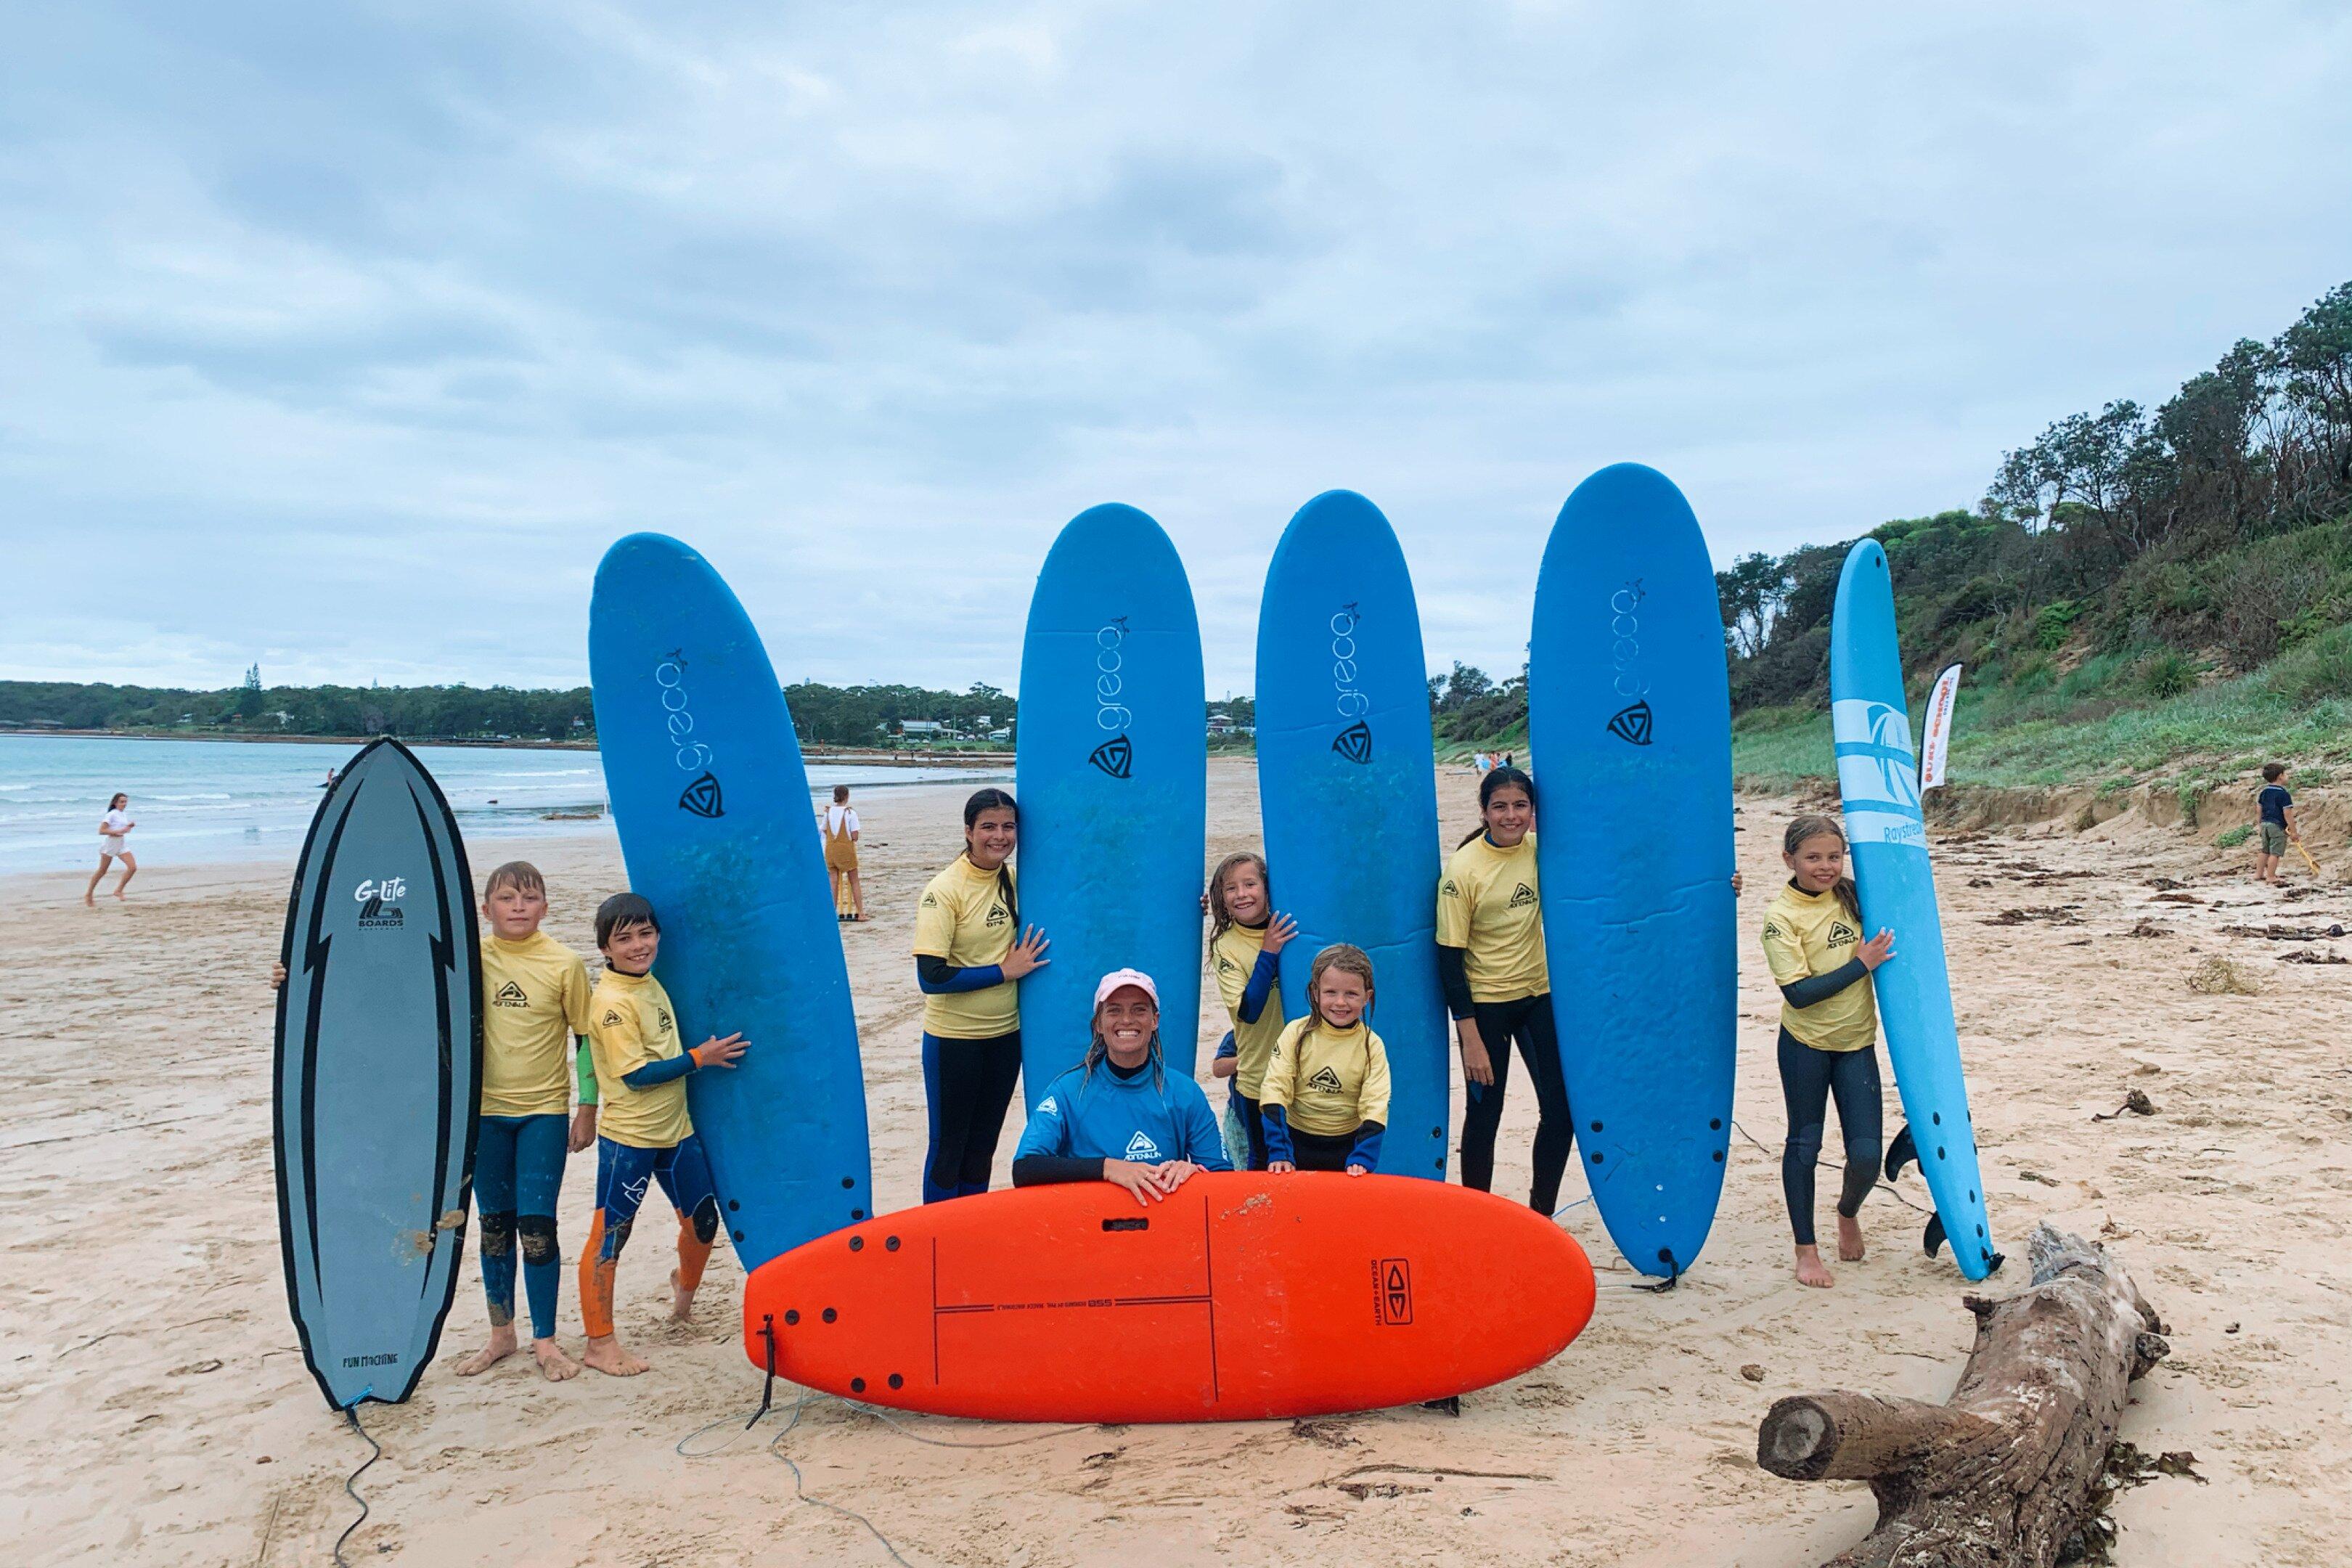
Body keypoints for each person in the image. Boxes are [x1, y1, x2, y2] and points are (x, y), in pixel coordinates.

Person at [269, 860, 603, 1377]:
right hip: (479, 1117)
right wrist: (298, 984)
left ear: (546, 906)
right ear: (483, 907)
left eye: (530, 898)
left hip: (542, 1114)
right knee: (493, 1227)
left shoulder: (564, 964)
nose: (519, 907)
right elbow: (385, 990)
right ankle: (502, 1335)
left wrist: (587, 1107)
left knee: (537, 1228)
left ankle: (546, 1340)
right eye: (508, 898)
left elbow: (585, 1039)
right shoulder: (465, 963)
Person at [579, 893, 748, 1376]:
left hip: (677, 1132)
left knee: (703, 1224)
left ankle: (683, 1304)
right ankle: (599, 1343)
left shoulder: (650, 983)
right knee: (611, 1236)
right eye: (624, 938)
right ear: (606, 949)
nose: (638, 945)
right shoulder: (612, 1002)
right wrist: (701, 1058)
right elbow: (635, 1075)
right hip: (630, 1139)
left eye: (646, 933)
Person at [1759, 816, 1895, 1289]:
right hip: (1806, 1046)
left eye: (1834, 856)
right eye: (1813, 857)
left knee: (1866, 1157)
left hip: (1857, 1043)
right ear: (1789, 859)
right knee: (1805, 1146)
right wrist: (1861, 965)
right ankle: (1807, 1251)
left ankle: (1847, 1211)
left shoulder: (1853, 896)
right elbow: (1798, 994)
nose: (1825, 866)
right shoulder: (1781, 918)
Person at [1437, 766, 1572, 1212]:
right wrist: (1469, 1038)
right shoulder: (1464, 870)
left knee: (1562, 1113)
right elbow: (1449, 959)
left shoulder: (1542, 851)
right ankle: (1479, 1218)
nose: (1511, 816)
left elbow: (1614, 875)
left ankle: (1542, 1214)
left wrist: (1719, 887)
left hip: (1539, 999)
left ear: (1533, 812)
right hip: (1485, 1008)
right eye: (1500, 807)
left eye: (1520, 806)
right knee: (1484, 1116)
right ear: (1484, 811)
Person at [912, 788, 1049, 1203]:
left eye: (1009, 827)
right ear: (969, 831)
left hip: (1006, 1037)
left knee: (983, 1146)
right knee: (949, 1148)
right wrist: (1003, 972)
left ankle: (966, 1234)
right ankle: (938, 1238)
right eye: (988, 827)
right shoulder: (944, 890)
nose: (1000, 836)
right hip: (954, 1040)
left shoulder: (1013, 879)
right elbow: (931, 977)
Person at [1011, 968, 1229, 1204]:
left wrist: (1194, 1173)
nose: (1127, 1020)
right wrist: (1108, 1169)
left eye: (1139, 1010)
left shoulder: (1185, 1093)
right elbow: (1025, 1168)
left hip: (1160, 1221)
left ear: (1155, 1020)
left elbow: (1221, 1175)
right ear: (1099, 1024)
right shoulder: (1067, 1091)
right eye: (1114, 1010)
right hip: (1088, 1223)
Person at [1260, 944, 1391, 1176]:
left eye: (1351, 994)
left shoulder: (1372, 1045)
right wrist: (1280, 1152)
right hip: (1293, 1144)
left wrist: (1363, 1156)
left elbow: (1376, 1103)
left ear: (1367, 998)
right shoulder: (1296, 1033)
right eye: (1331, 992)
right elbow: (1275, 1089)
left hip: (1348, 1150)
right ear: (1315, 992)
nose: (1340, 1003)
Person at [1204, 852, 1295, 1169]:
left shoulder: (1294, 928)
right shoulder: (1225, 946)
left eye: (1250, 884)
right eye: (1231, 888)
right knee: (1261, 1166)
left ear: (1268, 888)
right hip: (1258, 1079)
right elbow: (1249, 1011)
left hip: (1305, 1072)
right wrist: (1269, 952)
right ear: (1221, 899)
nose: (1242, 894)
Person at [820, 784, 867, 921]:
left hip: (831, 851)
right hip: (845, 851)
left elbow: (824, 830)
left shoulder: (828, 812)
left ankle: (831, 913)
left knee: (833, 882)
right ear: (847, 796)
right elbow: (855, 836)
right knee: (854, 881)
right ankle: (861, 913)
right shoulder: (850, 813)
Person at [86, 793, 136, 905]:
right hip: (111, 845)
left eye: (126, 802)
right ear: (115, 803)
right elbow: (102, 831)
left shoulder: (122, 814)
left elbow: (122, 830)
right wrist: (117, 832)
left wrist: (129, 827)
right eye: (122, 802)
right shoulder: (111, 814)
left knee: (132, 868)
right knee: (102, 871)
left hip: (121, 844)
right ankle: (89, 894)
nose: (125, 804)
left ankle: (118, 890)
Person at [2255, 763, 2301, 886]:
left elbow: (2259, 809)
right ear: (2280, 776)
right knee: (2275, 852)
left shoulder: (2264, 792)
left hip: (2265, 824)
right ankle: (2271, 876)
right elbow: (2287, 814)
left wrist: (2259, 825)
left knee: (2265, 850)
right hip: (2277, 826)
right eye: (2285, 774)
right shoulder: (2283, 794)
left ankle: (2258, 874)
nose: (2287, 776)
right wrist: (2294, 832)